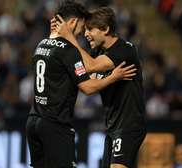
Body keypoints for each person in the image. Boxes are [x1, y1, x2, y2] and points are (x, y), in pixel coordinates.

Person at [25, 1, 137, 168]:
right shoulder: (69, 50)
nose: (83, 33)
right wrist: (113, 77)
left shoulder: (41, 44)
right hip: (56, 125)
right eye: (83, 27)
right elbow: (87, 87)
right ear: (73, 22)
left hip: (33, 121)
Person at [53, 6, 147, 168]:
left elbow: (91, 66)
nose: (86, 34)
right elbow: (89, 83)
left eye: (90, 30)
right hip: (112, 127)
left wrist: (69, 37)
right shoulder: (98, 53)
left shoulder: (124, 50)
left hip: (129, 126)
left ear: (105, 29)